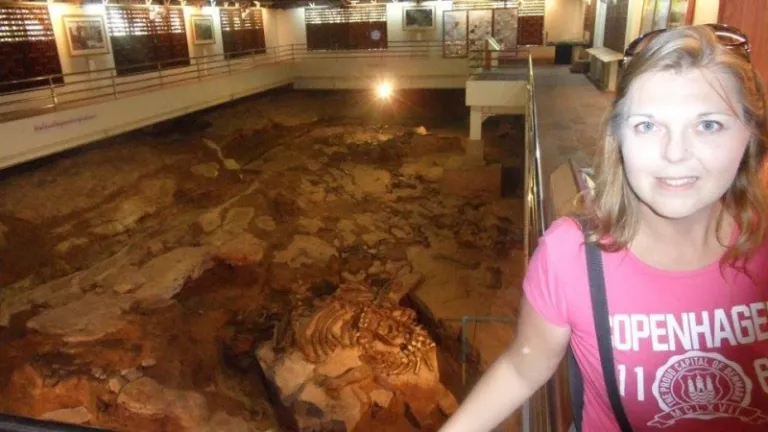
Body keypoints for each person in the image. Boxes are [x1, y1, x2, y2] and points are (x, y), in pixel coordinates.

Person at [440, 25, 768, 432]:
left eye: (708, 125)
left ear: (750, 135)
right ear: (619, 137)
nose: (675, 153)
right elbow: (523, 367)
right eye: (648, 125)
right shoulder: (572, 257)